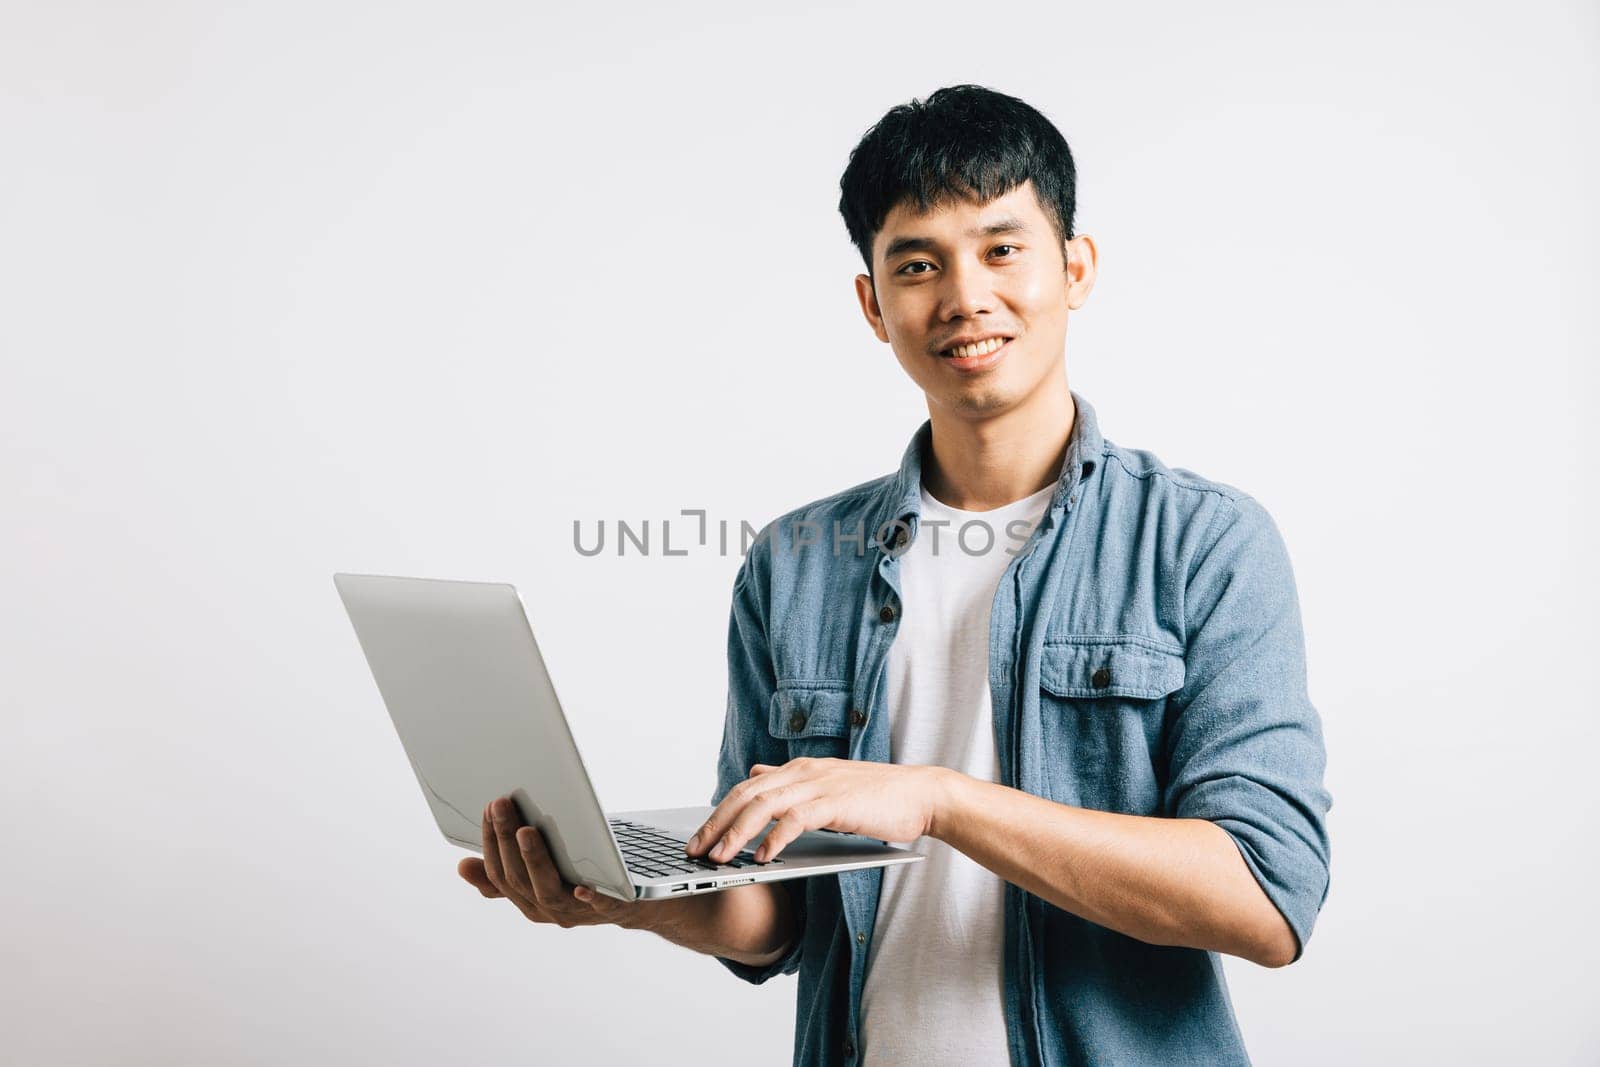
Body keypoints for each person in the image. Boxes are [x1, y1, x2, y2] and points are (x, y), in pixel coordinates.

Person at [459, 84, 1333, 1066]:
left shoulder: (1202, 541)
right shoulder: (792, 563)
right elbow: (772, 918)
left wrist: (938, 799)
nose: (964, 297)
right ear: (873, 302)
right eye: (918, 265)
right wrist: (627, 897)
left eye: (1002, 248)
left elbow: (1265, 896)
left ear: (1074, 267)